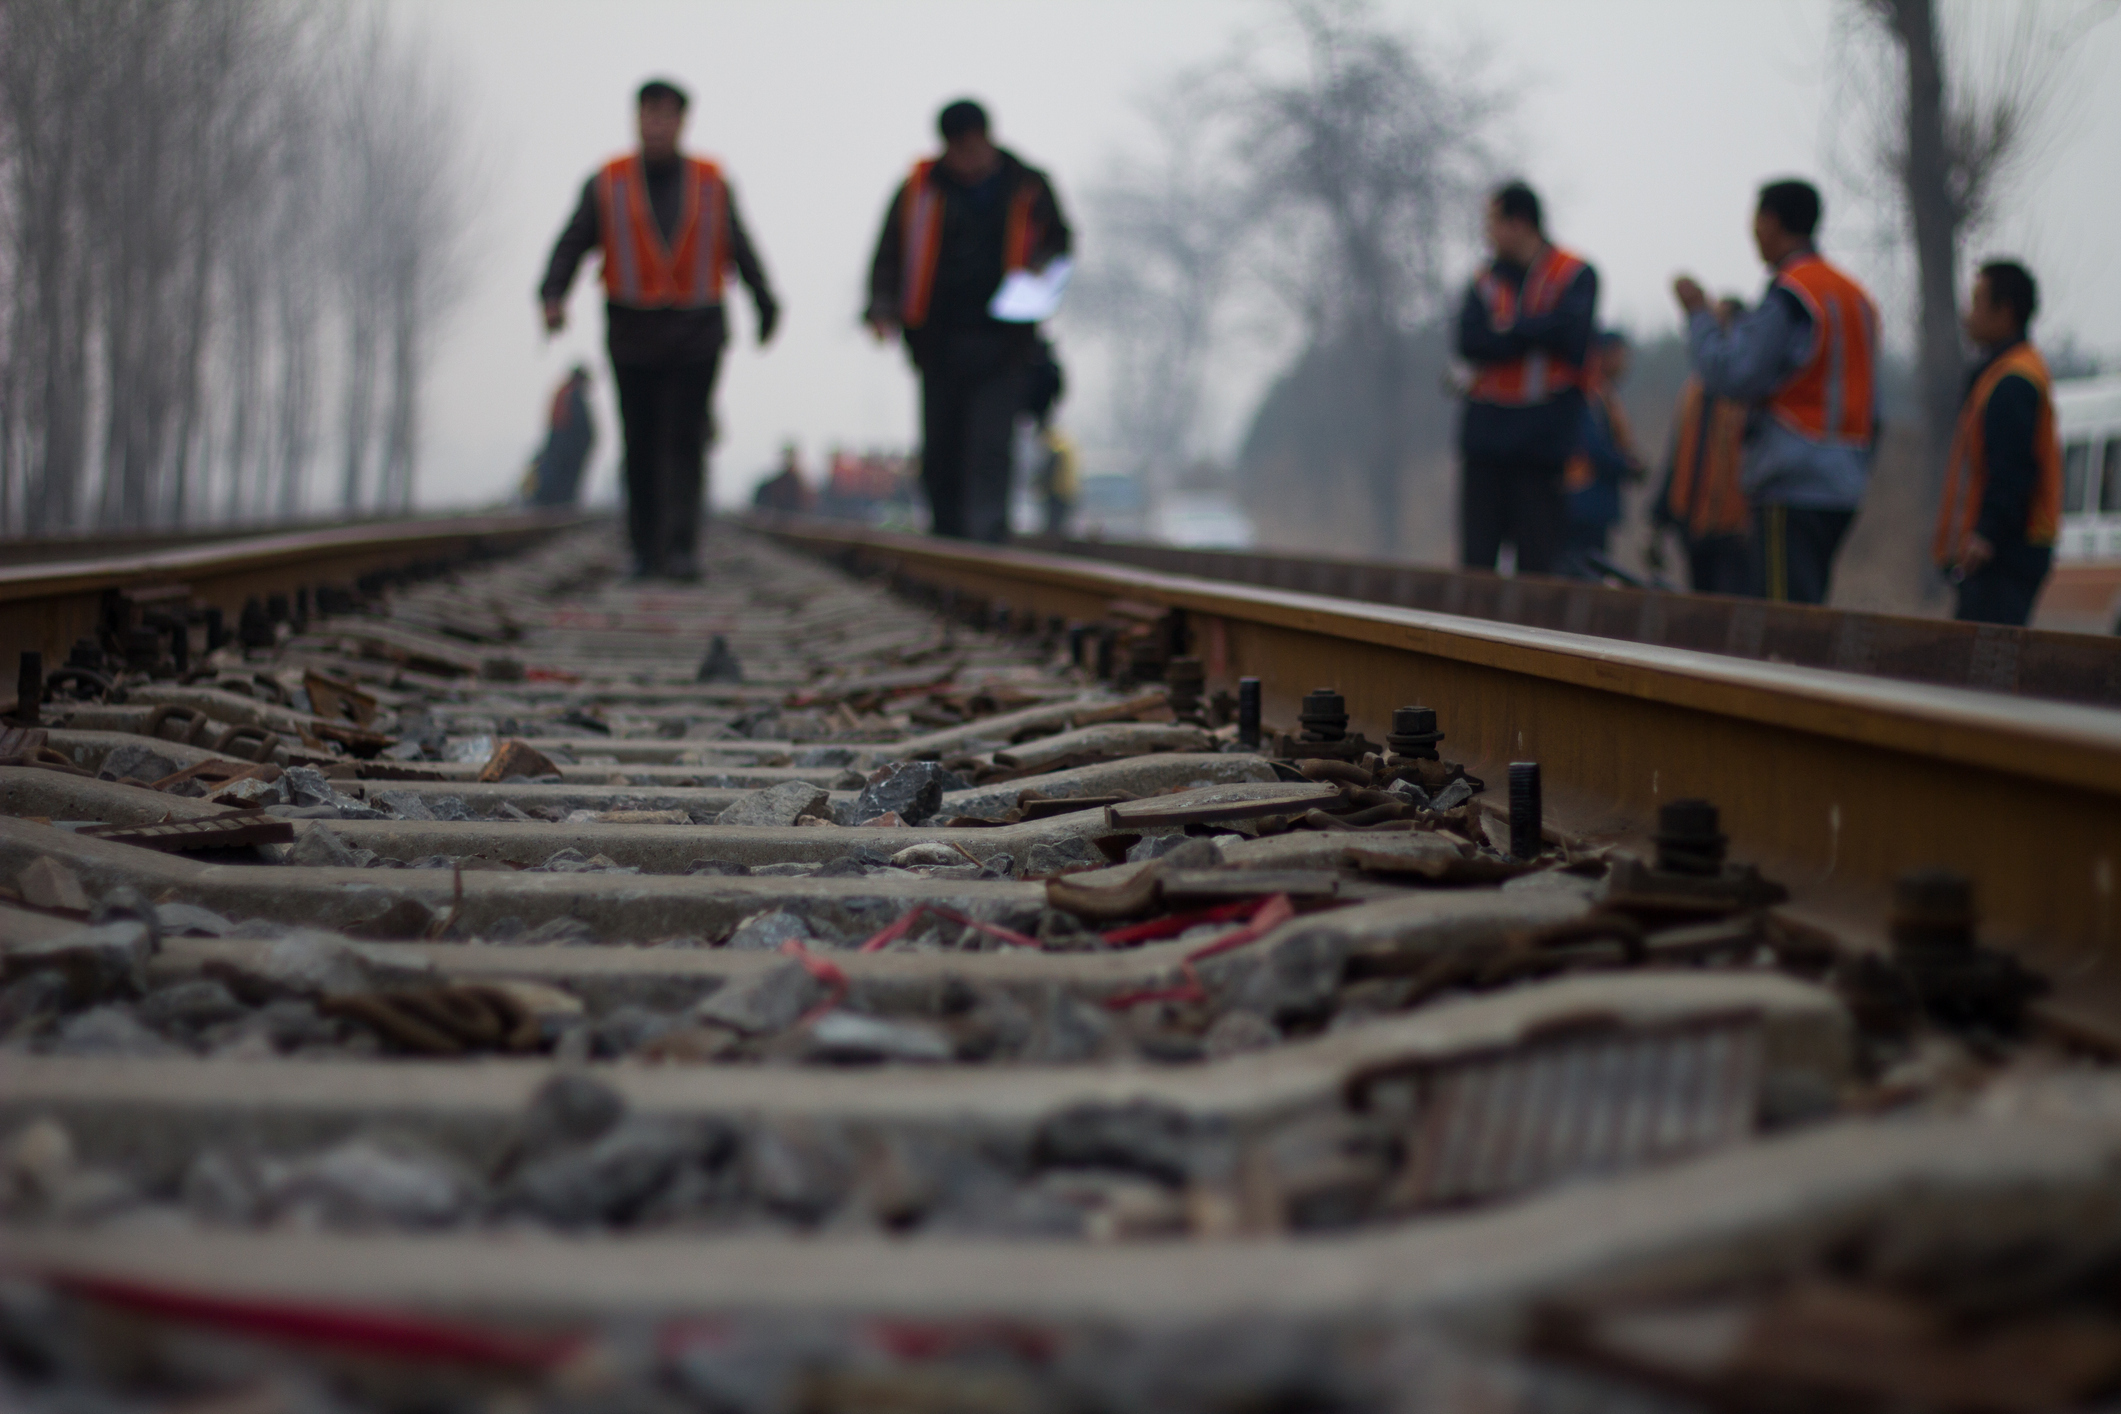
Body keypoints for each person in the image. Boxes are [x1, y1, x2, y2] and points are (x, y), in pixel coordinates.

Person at [539, 78, 780, 580]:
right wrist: (552, 294)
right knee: (641, 443)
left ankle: (681, 549)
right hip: (633, 335)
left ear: (682, 123)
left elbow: (740, 244)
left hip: (697, 333)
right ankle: (644, 549)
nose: (657, 125)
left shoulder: (712, 182)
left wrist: (765, 301)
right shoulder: (608, 182)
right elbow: (574, 240)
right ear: (636, 119)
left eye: (667, 115)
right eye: (649, 114)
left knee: (686, 441)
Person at [864, 99, 1072, 542]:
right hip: (937, 340)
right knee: (942, 447)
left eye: (973, 148)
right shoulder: (918, 189)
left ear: (988, 140)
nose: (967, 159)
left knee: (991, 445)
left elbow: (1060, 245)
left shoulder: (1028, 186)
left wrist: (1037, 278)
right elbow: (889, 256)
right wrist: (881, 308)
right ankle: (949, 535)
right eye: (958, 150)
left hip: (1005, 342)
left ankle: (989, 536)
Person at [1674, 179, 1877, 604]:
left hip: (1791, 480)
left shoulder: (1792, 295)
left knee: (1785, 623)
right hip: (1844, 482)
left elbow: (1733, 374)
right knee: (1807, 605)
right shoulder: (1856, 297)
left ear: (1769, 222)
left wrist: (1698, 317)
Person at [1455, 180, 1600, 576]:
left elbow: (1571, 337)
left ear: (1518, 223)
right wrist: (1535, 332)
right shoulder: (1483, 280)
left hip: (1542, 446)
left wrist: (1504, 332)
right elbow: (1469, 340)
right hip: (1486, 445)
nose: (1487, 235)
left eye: (1492, 223)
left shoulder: (1574, 274)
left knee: (1538, 570)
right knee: (1477, 568)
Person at [1933, 260, 2062, 626]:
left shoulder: (2013, 381)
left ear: (2005, 312)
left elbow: (2013, 468)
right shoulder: (2005, 372)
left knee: (1985, 665)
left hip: (2002, 555)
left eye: (1977, 302)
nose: (1968, 315)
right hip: (2003, 552)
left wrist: (1985, 535)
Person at [1653, 299, 1753, 595]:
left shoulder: (1750, 393)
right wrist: (1659, 521)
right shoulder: (1693, 392)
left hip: (1736, 532)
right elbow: (1676, 457)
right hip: (1693, 528)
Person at [1559, 331, 1644, 578]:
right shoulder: (1587, 393)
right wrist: (1626, 465)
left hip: (1595, 503)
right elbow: (1592, 446)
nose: (1624, 364)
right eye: (1620, 355)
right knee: (1580, 571)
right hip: (1583, 500)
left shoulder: (1605, 395)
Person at [528, 366, 596, 507]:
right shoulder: (571, 394)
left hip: (561, 444)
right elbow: (577, 426)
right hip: (566, 446)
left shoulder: (564, 392)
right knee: (563, 480)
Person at [753, 443, 814, 514]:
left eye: (791, 456)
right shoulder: (768, 488)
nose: (789, 460)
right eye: (787, 456)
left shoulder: (805, 491)